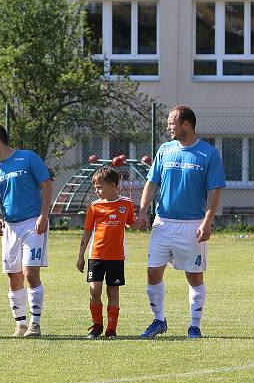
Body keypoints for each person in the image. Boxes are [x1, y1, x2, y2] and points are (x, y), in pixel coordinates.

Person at [135, 104, 225, 339]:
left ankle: (194, 325)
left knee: (194, 276)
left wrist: (207, 220)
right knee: (153, 273)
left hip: (192, 225)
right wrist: (143, 211)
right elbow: (152, 182)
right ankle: (158, 321)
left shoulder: (208, 153)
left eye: (172, 123)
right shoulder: (165, 150)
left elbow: (215, 190)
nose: (168, 127)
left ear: (186, 124)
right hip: (163, 223)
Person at [0, 124, 52, 337]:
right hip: (10, 227)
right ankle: (20, 324)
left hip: (33, 224)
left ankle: (35, 324)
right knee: (14, 277)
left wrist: (43, 216)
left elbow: (46, 185)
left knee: (30, 273)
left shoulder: (28, 158)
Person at [76, 167, 135, 339]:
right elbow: (87, 231)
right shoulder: (95, 206)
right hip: (96, 256)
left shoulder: (127, 204)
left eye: (99, 187)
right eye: (95, 186)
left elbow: (131, 222)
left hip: (116, 257)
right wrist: (81, 255)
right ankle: (97, 325)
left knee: (113, 292)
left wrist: (138, 223)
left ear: (112, 186)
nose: (96, 190)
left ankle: (111, 329)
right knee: (94, 290)